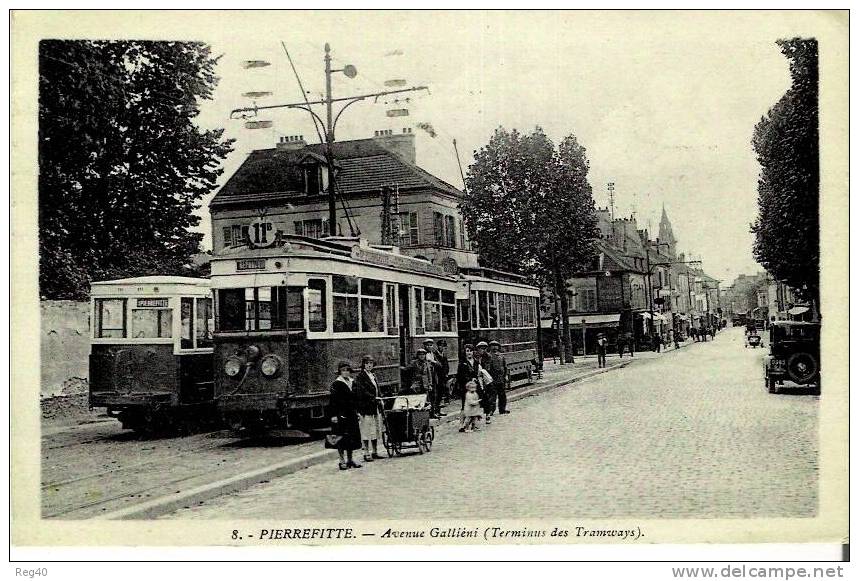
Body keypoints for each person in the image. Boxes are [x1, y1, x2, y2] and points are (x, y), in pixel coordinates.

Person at [329, 361, 362, 470]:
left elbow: (356, 399)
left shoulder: (352, 382)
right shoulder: (336, 384)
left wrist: (357, 412)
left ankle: (350, 459)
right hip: (341, 414)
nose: (345, 372)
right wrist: (333, 415)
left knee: (351, 437)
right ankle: (341, 460)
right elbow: (332, 401)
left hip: (351, 413)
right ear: (340, 372)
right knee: (341, 437)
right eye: (343, 370)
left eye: (347, 370)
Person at [355, 355, 385, 463]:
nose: (369, 365)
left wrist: (380, 398)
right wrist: (374, 398)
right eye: (367, 363)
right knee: (366, 430)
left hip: (375, 406)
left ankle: (375, 451)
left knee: (375, 430)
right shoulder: (360, 377)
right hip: (366, 407)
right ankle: (366, 453)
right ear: (363, 364)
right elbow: (361, 391)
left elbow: (377, 389)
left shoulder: (373, 375)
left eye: (371, 363)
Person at [456, 344, 485, 410]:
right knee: (466, 403)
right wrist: (470, 379)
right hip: (466, 386)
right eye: (467, 351)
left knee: (478, 400)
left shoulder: (476, 362)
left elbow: (479, 373)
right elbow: (460, 375)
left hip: (476, 385)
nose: (469, 353)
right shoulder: (462, 363)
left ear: (473, 352)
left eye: (471, 351)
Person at [486, 340, 509, 416]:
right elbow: (488, 368)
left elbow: (505, 367)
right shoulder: (489, 357)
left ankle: (502, 409)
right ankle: (491, 410)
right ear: (490, 347)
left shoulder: (502, 356)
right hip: (493, 379)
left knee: (502, 395)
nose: (494, 347)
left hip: (501, 379)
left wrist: (505, 376)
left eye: (496, 346)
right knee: (492, 396)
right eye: (493, 346)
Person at [436, 339, 451, 405]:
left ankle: (445, 401)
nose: (442, 347)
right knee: (439, 390)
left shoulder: (444, 354)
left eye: (444, 346)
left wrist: (446, 373)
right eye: (441, 346)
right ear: (438, 346)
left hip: (444, 375)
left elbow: (446, 365)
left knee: (444, 388)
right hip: (438, 375)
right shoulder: (436, 354)